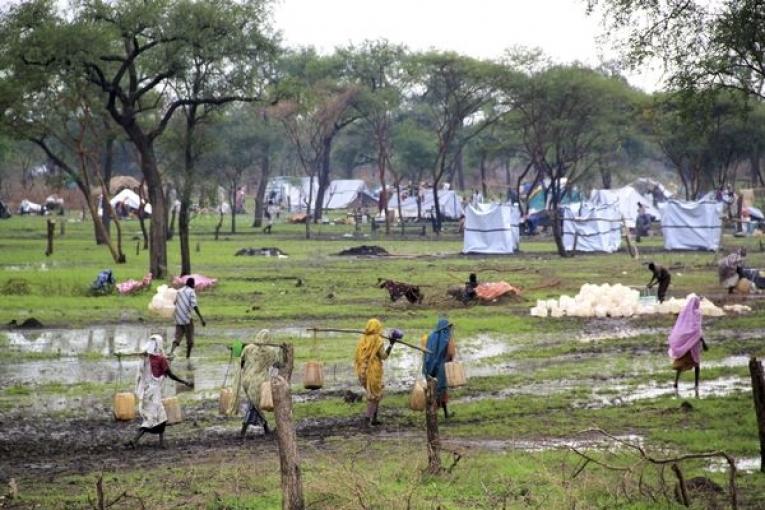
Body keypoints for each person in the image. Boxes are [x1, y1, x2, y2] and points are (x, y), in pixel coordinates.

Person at [126, 335, 193, 449]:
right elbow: (170, 374)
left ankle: (160, 444)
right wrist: (185, 382)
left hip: (145, 393)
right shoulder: (161, 359)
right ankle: (134, 440)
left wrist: (167, 359)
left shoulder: (145, 358)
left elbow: (157, 365)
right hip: (153, 394)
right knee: (152, 420)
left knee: (161, 418)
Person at [229, 329, 284, 438]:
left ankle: (265, 428)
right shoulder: (271, 351)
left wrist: (237, 348)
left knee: (254, 404)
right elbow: (278, 363)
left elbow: (241, 361)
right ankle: (244, 430)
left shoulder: (248, 348)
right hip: (259, 381)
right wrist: (282, 350)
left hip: (246, 380)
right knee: (253, 406)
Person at [354, 319, 396, 427]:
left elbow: (358, 357)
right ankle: (367, 420)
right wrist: (391, 344)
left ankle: (374, 419)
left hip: (362, 371)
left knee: (376, 393)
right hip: (373, 371)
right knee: (374, 395)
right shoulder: (377, 340)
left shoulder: (362, 339)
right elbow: (384, 356)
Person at [667, 295, 709, 389]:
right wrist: (704, 343)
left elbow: (681, 327)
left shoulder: (684, 313)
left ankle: (676, 382)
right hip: (694, 343)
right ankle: (696, 384)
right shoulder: (697, 313)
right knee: (696, 363)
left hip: (685, 343)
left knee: (681, 363)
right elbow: (697, 331)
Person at [422, 318, 457, 419]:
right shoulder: (447, 337)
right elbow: (450, 353)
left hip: (430, 367)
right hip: (442, 368)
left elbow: (425, 352)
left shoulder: (431, 336)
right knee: (441, 390)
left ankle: (436, 413)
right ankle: (439, 414)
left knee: (432, 390)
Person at [170, 277, 206, 359]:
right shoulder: (191, 292)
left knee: (177, 337)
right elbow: (194, 306)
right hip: (187, 319)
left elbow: (174, 302)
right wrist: (201, 318)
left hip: (178, 318)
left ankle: (170, 352)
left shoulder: (179, 291)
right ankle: (188, 357)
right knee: (190, 340)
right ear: (192, 284)